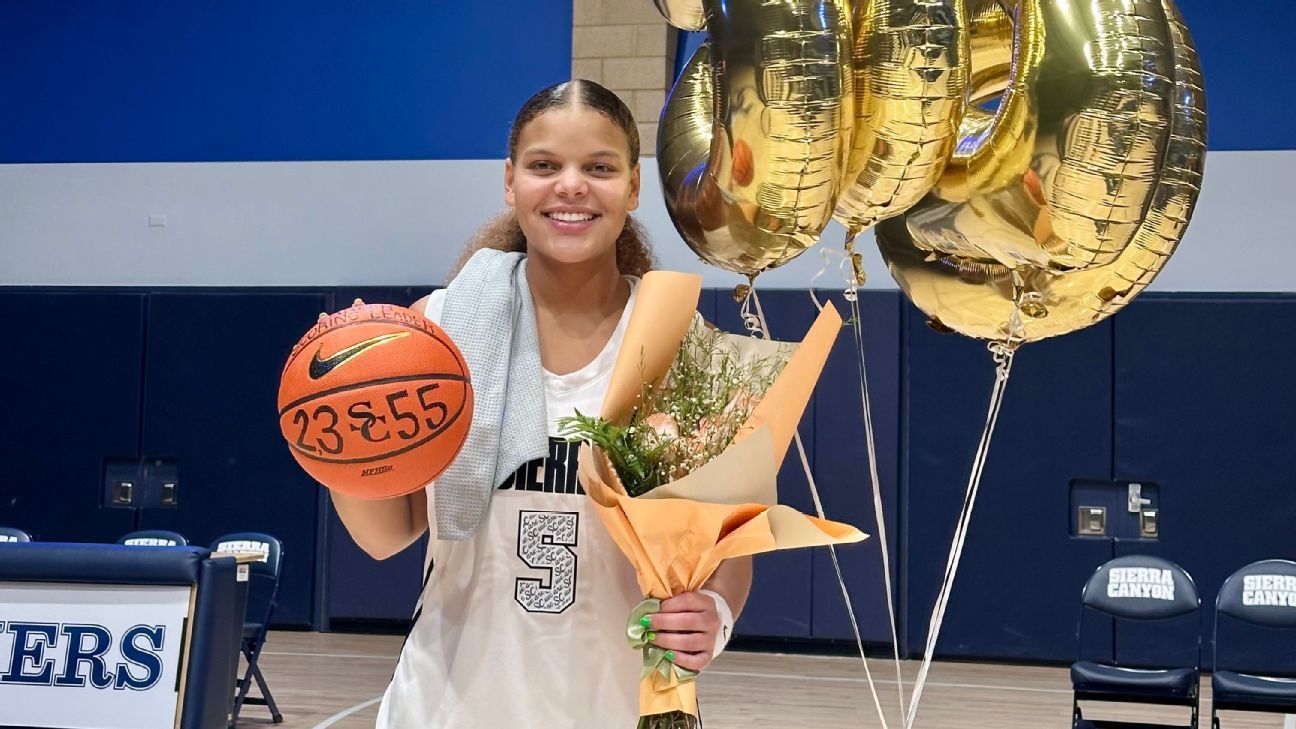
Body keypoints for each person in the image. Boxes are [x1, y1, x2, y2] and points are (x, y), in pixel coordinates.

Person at [331, 79, 753, 728]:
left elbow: (730, 552)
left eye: (600, 168)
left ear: (634, 187)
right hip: (445, 707)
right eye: (545, 166)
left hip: (615, 706)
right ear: (510, 181)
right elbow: (387, 534)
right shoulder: (437, 331)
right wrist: (345, 434)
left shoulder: (682, 344)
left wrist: (714, 614)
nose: (572, 186)